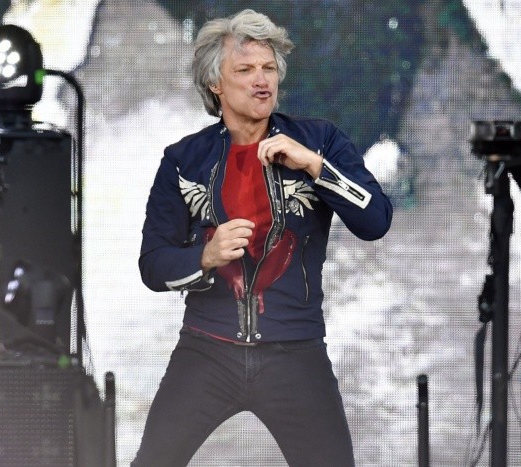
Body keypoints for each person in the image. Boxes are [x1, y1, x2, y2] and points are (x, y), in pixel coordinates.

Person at [133, 8, 393, 467]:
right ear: (215, 83)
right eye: (245, 69)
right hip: (206, 350)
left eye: (269, 68)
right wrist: (205, 256)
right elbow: (153, 266)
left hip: (295, 351)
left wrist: (315, 166)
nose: (261, 80)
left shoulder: (319, 140)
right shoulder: (183, 160)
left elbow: (376, 221)